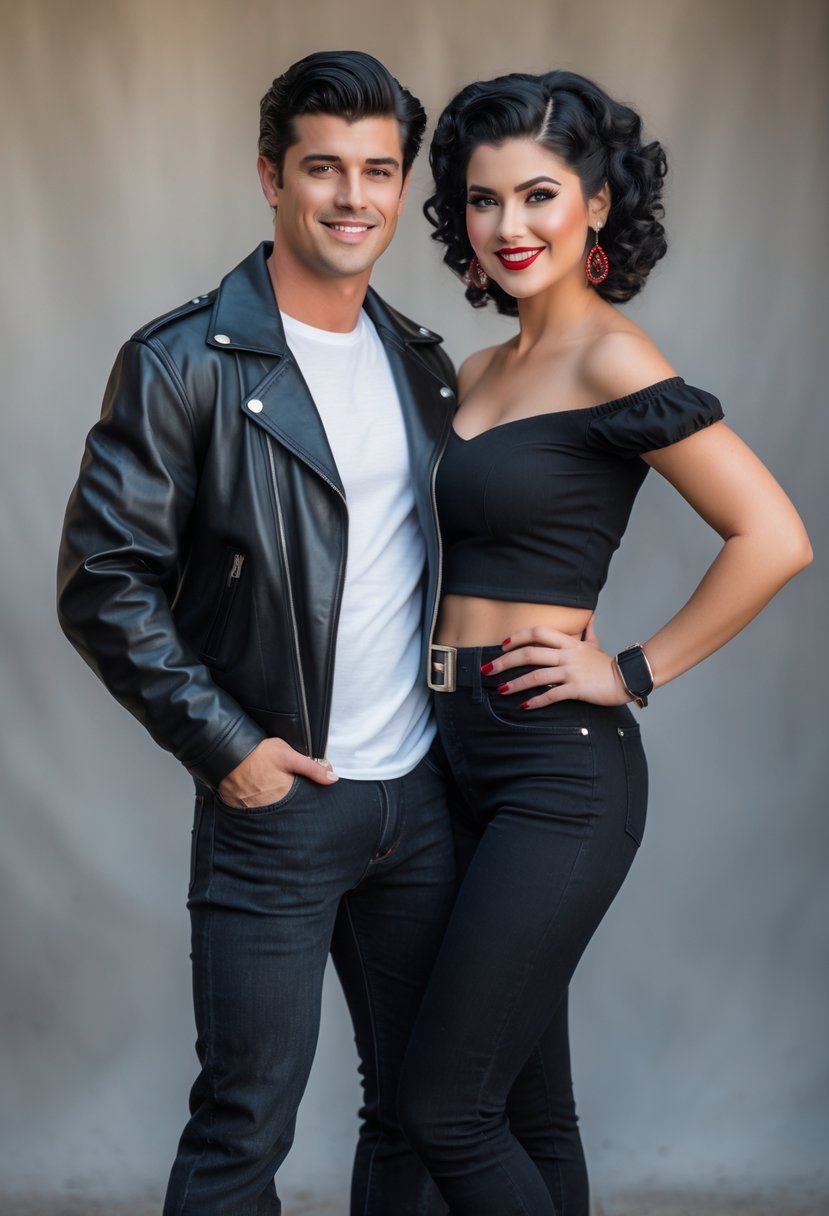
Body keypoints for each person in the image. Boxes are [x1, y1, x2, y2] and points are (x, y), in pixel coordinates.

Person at [396, 69, 813, 1215]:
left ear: (596, 204)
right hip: (440, 742)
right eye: (483, 199)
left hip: (555, 763)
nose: (509, 224)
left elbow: (773, 536)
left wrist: (629, 670)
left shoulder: (614, 360)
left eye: (538, 194)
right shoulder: (476, 372)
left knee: (444, 1109)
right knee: (528, 1108)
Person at [57, 50, 458, 1216]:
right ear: (271, 178)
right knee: (245, 1123)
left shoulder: (423, 365)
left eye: (377, 171)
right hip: (280, 799)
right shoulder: (180, 361)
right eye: (322, 168)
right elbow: (103, 580)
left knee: (421, 1112)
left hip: (418, 797)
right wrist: (228, 748)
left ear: (401, 186)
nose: (352, 196)